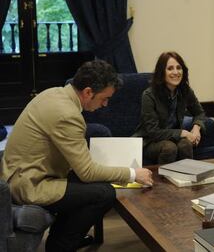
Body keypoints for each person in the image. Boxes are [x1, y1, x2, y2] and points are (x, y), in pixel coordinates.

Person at [0, 60, 153, 252]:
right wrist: (133, 174)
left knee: (96, 186)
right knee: (104, 194)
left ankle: (66, 237)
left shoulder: (54, 93)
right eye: (104, 99)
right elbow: (87, 172)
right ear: (88, 92)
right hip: (28, 184)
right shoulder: (67, 114)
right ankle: (60, 245)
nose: (105, 105)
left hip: (20, 173)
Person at [134, 51, 206, 165]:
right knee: (169, 147)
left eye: (179, 68)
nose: (176, 72)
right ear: (162, 72)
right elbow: (153, 132)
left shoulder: (185, 90)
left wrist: (196, 128)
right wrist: (183, 133)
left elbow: (200, 113)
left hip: (173, 137)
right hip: (150, 141)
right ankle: (163, 181)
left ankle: (188, 179)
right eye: (170, 68)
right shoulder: (149, 95)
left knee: (185, 144)